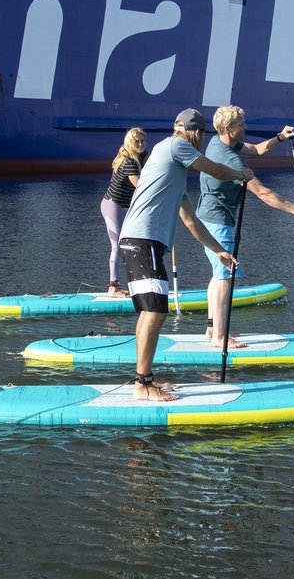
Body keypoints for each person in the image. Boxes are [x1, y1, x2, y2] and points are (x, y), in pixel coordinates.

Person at [118, 109, 253, 401]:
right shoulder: (175, 145)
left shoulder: (172, 172)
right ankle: (143, 385)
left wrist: (219, 251)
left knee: (150, 311)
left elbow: (192, 222)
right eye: (202, 136)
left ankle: (145, 377)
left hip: (140, 241)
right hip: (142, 239)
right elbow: (215, 169)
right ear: (197, 134)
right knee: (156, 311)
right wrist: (240, 174)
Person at [196, 105, 294, 347]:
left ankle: (211, 328)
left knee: (218, 273)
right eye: (241, 124)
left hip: (207, 217)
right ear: (229, 128)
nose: (246, 127)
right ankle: (219, 337)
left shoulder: (218, 142)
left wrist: (280, 137)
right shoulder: (230, 160)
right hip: (217, 222)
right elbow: (262, 193)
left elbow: (257, 150)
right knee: (225, 275)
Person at [100, 127, 147, 297]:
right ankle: (113, 288)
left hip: (122, 206)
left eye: (142, 141)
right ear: (129, 142)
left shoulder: (141, 156)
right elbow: (141, 187)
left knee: (129, 244)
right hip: (112, 205)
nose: (140, 144)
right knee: (117, 246)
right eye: (136, 141)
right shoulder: (129, 162)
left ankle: (139, 281)